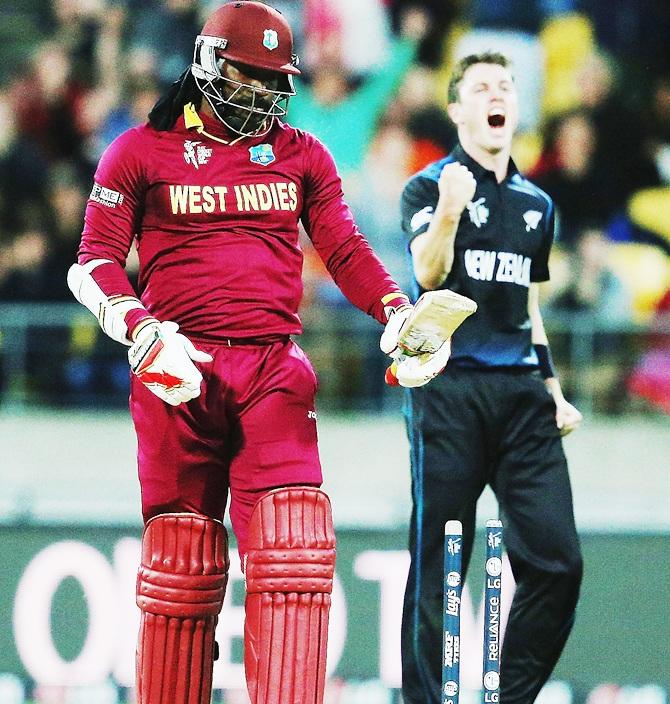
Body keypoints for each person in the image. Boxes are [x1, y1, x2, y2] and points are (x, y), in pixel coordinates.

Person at [66, 3, 447, 703]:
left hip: (273, 366)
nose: (262, 96)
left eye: (274, 81)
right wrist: (141, 329)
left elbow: (344, 247)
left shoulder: (303, 151)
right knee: (181, 568)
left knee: (295, 552)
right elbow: (92, 264)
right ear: (209, 65)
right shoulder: (140, 150)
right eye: (248, 78)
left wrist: (395, 311)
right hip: (176, 370)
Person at [399, 52, 584, 704]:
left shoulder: (537, 204)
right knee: (440, 566)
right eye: (480, 88)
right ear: (458, 111)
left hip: (521, 394)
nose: (495, 95)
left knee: (559, 562)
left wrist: (552, 382)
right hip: (447, 391)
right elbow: (427, 273)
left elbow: (528, 304)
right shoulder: (429, 187)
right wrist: (451, 211)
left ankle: (509, 699)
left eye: (504, 86)